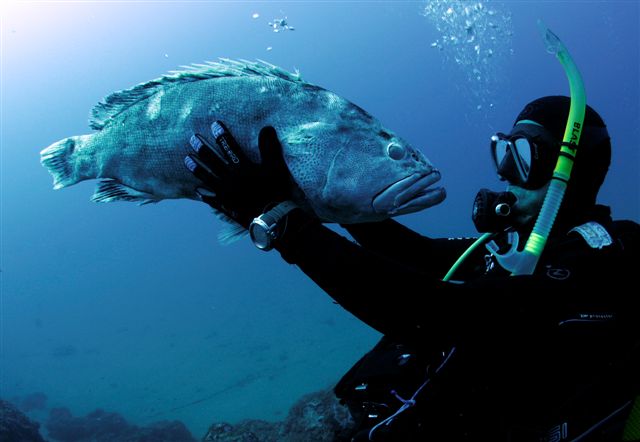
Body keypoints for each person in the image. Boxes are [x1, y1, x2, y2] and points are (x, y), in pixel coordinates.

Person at [184, 96, 640, 441]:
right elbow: (415, 255)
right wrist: (318, 196)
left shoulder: (602, 262)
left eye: (523, 157)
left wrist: (282, 223)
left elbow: (437, 314)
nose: (505, 174)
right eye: (502, 153)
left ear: (569, 171)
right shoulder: (515, 248)